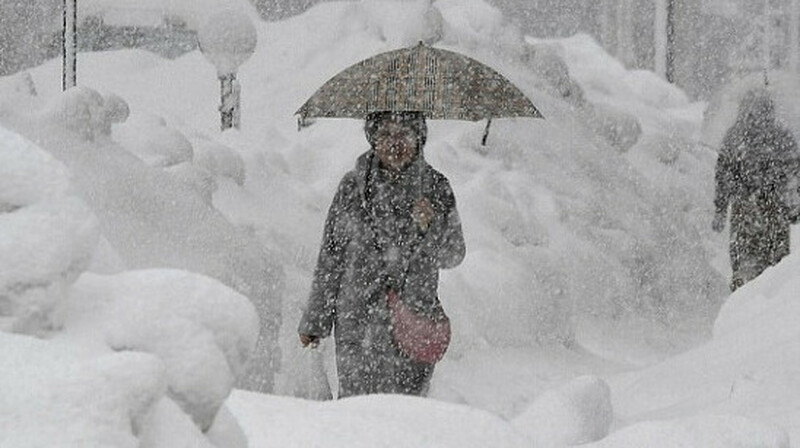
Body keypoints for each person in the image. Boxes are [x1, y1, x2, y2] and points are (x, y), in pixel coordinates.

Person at [298, 110, 466, 398]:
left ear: (419, 138)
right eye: (385, 134)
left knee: (405, 417)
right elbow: (331, 256)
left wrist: (432, 226)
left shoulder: (437, 187)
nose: (394, 143)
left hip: (412, 321)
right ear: (372, 138)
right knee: (358, 414)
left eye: (404, 134)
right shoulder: (352, 187)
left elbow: (454, 254)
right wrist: (316, 320)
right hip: (357, 325)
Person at [712, 89, 800, 291]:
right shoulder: (782, 135)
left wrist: (721, 209)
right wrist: (794, 207)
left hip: (744, 211)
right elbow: (794, 174)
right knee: (777, 268)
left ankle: (743, 302)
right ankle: (769, 306)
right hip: (774, 210)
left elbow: (723, 177)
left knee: (744, 262)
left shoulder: (735, 136)